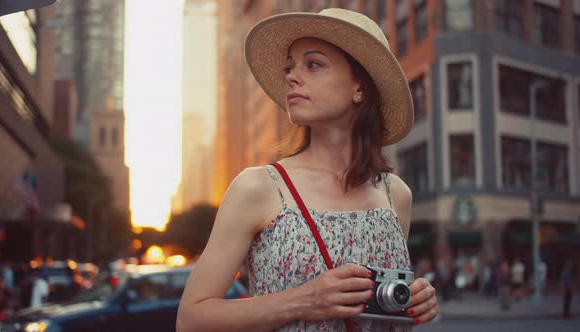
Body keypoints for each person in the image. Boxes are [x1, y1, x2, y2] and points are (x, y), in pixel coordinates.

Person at [176, 8, 438, 332]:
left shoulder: (395, 194)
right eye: (290, 67)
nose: (291, 76)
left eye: (313, 64)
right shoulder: (259, 188)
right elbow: (190, 319)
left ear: (360, 88)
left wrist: (410, 301)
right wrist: (304, 300)